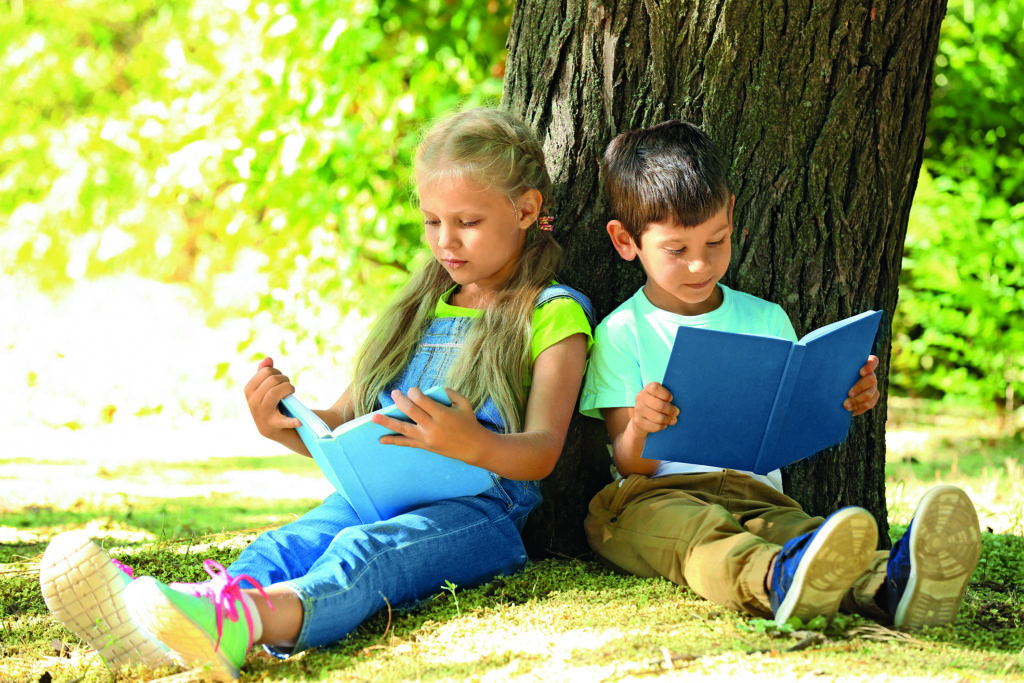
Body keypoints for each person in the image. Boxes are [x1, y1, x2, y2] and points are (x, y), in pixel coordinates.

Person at [39, 108, 595, 680]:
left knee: (365, 554)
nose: (445, 241)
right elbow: (344, 426)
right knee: (288, 543)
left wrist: (469, 442)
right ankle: (176, 624)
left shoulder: (552, 314)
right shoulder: (418, 310)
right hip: (374, 495)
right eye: (432, 222)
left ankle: (236, 622)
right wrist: (286, 424)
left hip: (479, 513)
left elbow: (543, 450)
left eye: (468, 222)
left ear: (526, 210)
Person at [580, 120, 981, 629]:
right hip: (654, 498)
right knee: (700, 535)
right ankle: (776, 580)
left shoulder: (766, 318)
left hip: (757, 493)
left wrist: (845, 395)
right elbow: (630, 462)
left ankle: (890, 583)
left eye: (717, 241)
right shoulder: (622, 331)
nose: (701, 266)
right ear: (625, 240)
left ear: (729, 212)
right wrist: (640, 423)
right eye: (677, 251)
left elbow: (789, 419)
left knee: (805, 531)